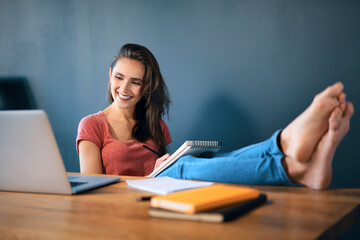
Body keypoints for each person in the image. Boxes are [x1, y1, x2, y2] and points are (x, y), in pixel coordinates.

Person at [77, 43, 354, 190]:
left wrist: (160, 168)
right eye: (119, 77)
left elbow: (161, 174)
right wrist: (150, 175)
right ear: (110, 76)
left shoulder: (153, 123)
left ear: (146, 87)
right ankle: (290, 159)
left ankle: (288, 152)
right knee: (181, 168)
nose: (124, 89)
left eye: (135, 82)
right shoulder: (92, 125)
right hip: (130, 199)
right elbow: (94, 191)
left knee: (200, 162)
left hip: (159, 195)